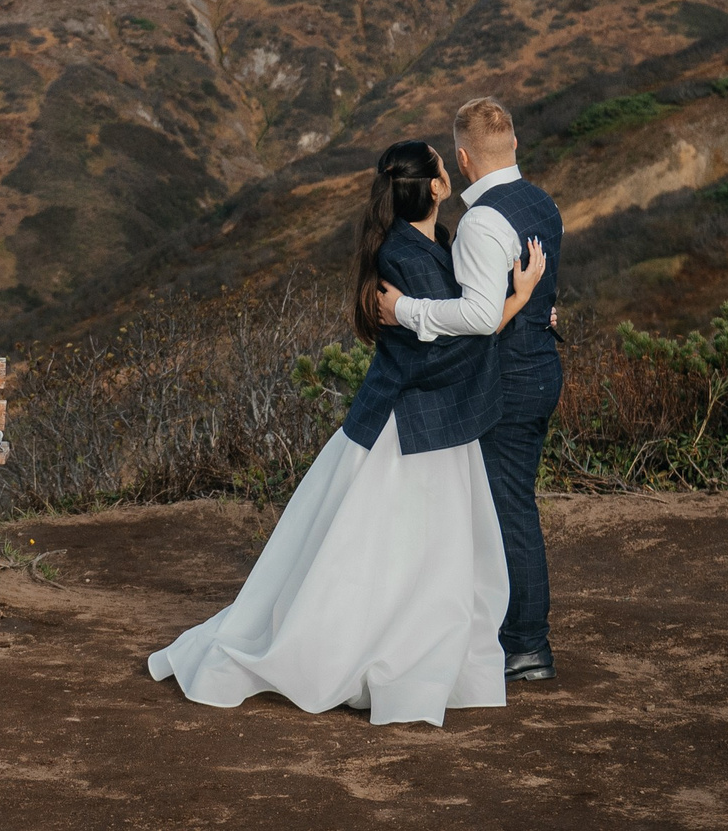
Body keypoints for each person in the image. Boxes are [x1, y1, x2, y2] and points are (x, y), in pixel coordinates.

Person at [149, 140, 547, 727]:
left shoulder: (430, 242)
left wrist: (515, 305)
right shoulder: (404, 257)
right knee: (392, 557)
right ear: (435, 187)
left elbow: (459, 318)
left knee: (401, 557)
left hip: (426, 428)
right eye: (443, 166)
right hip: (408, 430)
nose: (450, 171)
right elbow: (443, 355)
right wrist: (518, 302)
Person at [377, 95, 565, 683]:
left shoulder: (482, 221)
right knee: (507, 507)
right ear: (513, 144)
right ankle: (503, 631)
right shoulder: (542, 202)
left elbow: (481, 317)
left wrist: (406, 308)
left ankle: (526, 644)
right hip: (540, 370)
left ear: (461, 159)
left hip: (506, 381)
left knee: (508, 511)